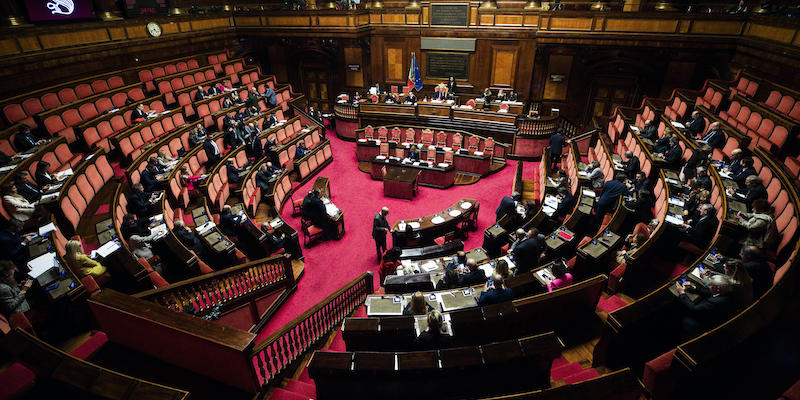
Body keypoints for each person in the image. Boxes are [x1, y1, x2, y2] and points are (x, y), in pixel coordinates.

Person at [675, 274, 736, 339]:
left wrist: (682, 293)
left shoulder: (714, 302)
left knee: (684, 319)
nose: (709, 287)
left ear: (718, 288)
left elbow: (694, 309)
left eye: (711, 285)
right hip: (719, 313)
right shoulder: (728, 290)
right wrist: (694, 288)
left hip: (710, 323)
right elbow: (711, 293)